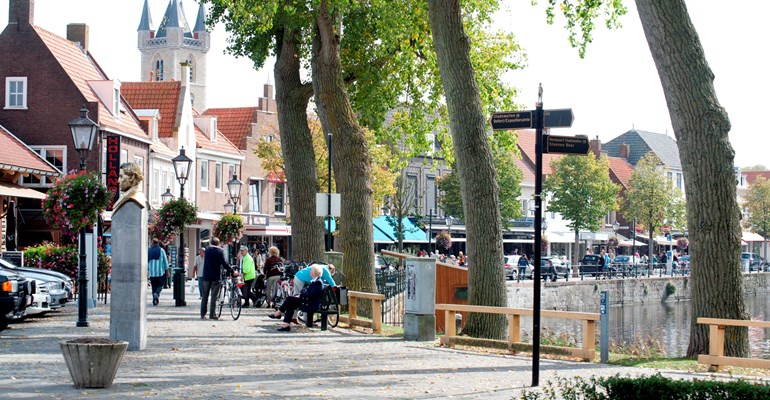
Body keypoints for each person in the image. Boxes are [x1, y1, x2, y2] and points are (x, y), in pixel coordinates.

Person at [268, 264, 325, 331]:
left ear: (314, 272)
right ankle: (285, 324)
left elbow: (311, 294)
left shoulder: (318, 283)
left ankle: (279, 314)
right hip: (308, 301)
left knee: (289, 300)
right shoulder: (314, 281)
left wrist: (300, 295)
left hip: (311, 304)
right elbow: (307, 292)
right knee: (290, 302)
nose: (310, 272)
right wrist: (300, 295)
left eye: (311, 270)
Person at [200, 237, 238, 320]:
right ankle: (212, 315)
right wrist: (232, 271)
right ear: (218, 243)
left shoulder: (207, 250)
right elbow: (225, 264)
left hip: (206, 276)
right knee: (214, 297)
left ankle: (203, 314)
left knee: (205, 296)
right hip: (215, 277)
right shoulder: (220, 251)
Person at [148, 238, 169, 306]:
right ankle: (156, 293)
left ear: (152, 243)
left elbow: (146, 261)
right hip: (160, 272)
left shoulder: (149, 250)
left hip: (152, 272)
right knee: (160, 285)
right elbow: (165, 261)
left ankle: (154, 300)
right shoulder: (161, 250)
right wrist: (167, 271)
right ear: (158, 243)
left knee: (153, 286)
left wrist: (147, 271)